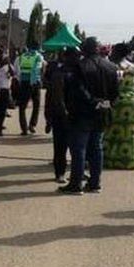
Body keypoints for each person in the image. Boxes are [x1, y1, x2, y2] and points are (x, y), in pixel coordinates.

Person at [59, 38, 119, 195]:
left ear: (84, 50)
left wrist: (93, 102)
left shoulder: (79, 66)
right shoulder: (111, 67)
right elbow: (115, 94)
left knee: (79, 149)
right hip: (101, 114)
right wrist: (105, 104)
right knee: (96, 148)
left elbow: (77, 90)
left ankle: (76, 184)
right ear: (98, 49)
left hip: (82, 114)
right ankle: (94, 184)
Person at [45, 48, 79, 183]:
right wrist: (60, 115)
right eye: (75, 56)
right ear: (67, 57)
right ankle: (60, 173)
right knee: (60, 146)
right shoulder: (60, 73)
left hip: (75, 115)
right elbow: (57, 98)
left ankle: (77, 172)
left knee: (76, 146)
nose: (78, 59)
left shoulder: (78, 72)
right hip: (61, 116)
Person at [104, 43, 134, 170]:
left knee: (110, 132)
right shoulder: (133, 67)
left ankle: (110, 160)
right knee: (127, 135)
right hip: (130, 104)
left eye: (113, 51)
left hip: (115, 102)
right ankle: (127, 162)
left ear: (117, 53)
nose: (111, 53)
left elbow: (109, 86)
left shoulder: (112, 66)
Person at [16, 41, 44, 135]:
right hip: (34, 83)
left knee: (22, 106)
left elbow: (18, 70)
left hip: (24, 82)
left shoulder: (22, 56)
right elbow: (36, 69)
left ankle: (24, 128)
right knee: (36, 105)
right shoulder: (39, 56)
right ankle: (32, 125)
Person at [0, 54, 14, 137]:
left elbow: (12, 74)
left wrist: (9, 65)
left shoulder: (8, 68)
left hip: (5, 90)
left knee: (2, 111)